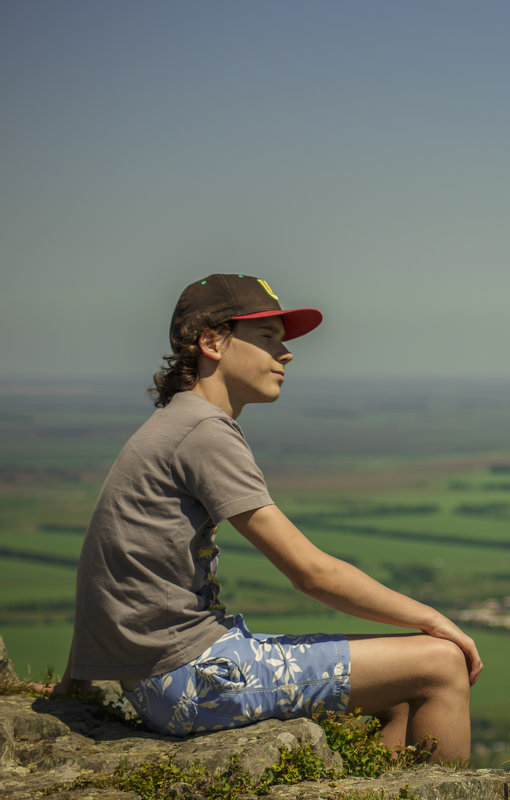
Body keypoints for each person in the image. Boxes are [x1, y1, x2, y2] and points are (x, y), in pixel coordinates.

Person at [47, 274, 481, 764]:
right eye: (268, 338)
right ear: (212, 342)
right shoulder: (204, 431)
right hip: (191, 678)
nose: (287, 354)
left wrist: (75, 681)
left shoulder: (174, 421)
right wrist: (435, 620)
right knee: (442, 662)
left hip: (163, 677)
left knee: (400, 693)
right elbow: (311, 573)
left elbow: (103, 556)